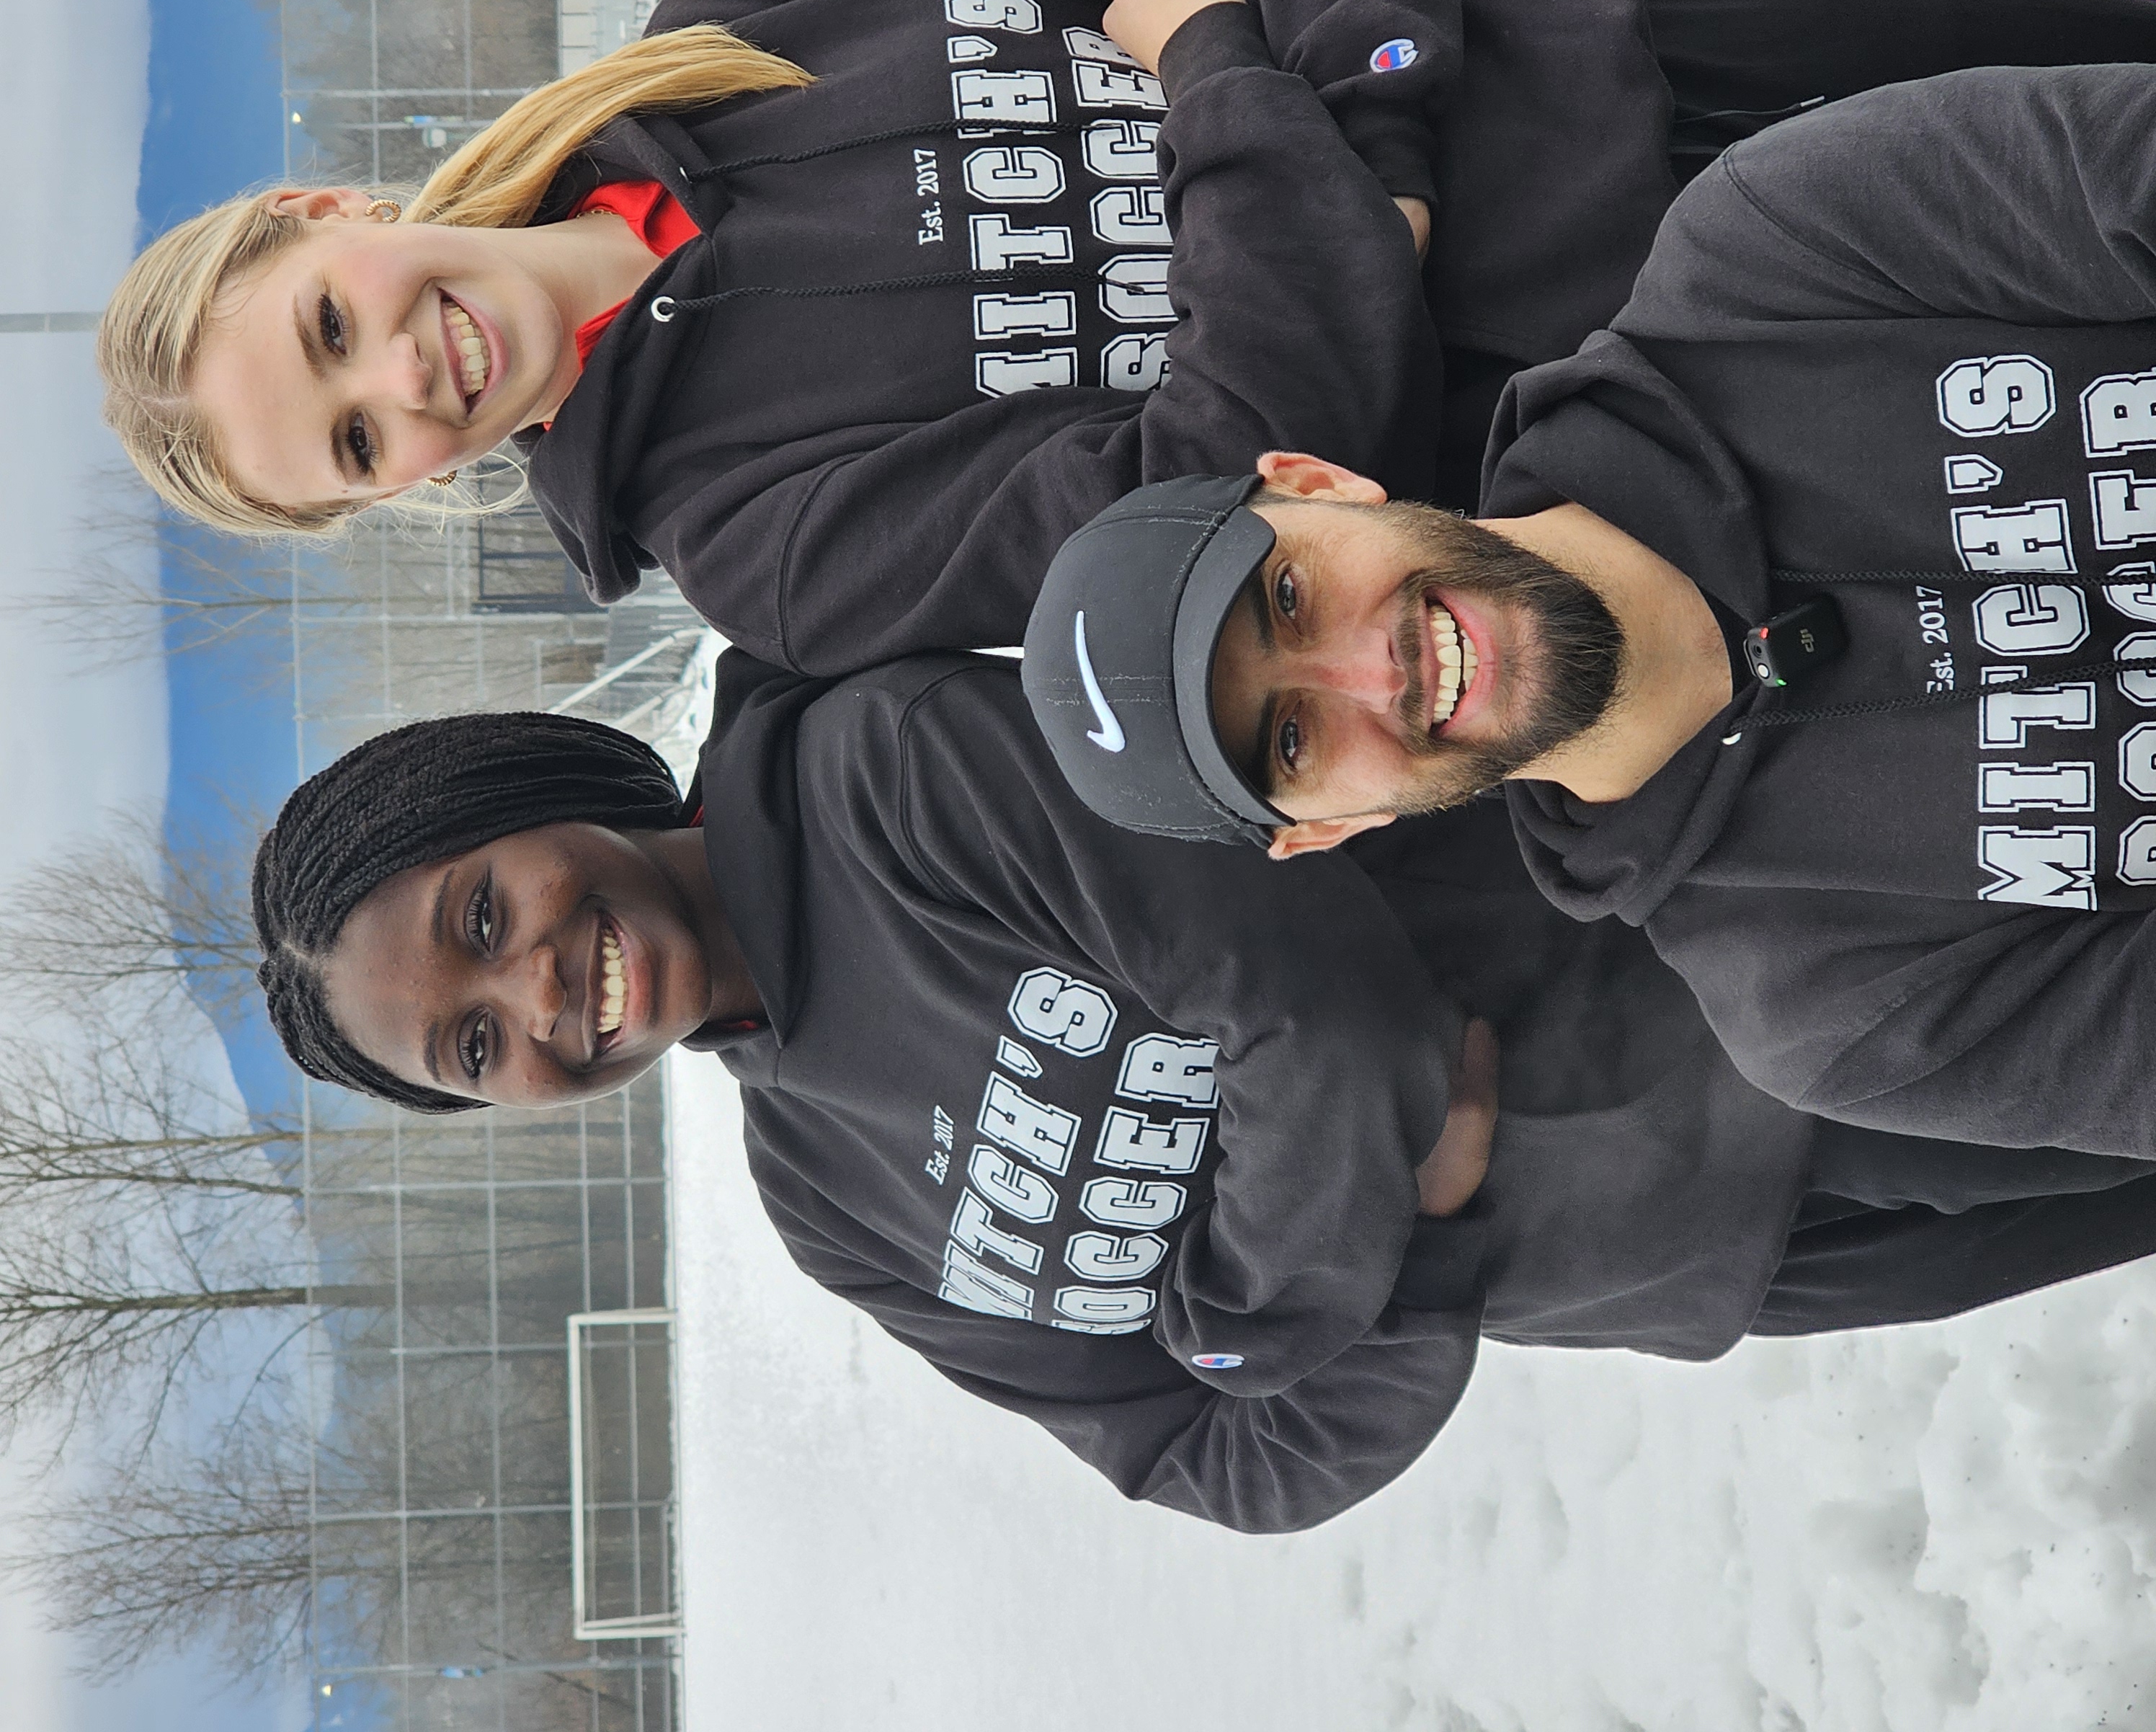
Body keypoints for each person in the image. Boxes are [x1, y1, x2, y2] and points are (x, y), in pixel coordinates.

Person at [103, 0, 2156, 672]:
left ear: (321, 216)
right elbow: (1225, 480)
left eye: (327, 335)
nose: (404, 382)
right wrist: (1233, 90)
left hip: (1610, 33)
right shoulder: (762, 544)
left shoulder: (750, 10)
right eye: (358, 446)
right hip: (1673, 352)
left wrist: (1375, 144)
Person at [254, 659, 2156, 1532]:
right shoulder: (828, 1201)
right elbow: (1207, 1462)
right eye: (477, 1047)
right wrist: (1393, 1259)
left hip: (1766, 1011)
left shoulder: (882, 769)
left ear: (520, 797)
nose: (538, 990)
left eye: (483, 916)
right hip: (1735, 1273)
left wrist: (1256, 1300)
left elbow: (1305, 1001)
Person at [1025, 63, 2156, 1158]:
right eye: (1291, 737)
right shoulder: (1836, 1006)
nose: (1379, 675)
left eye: (1288, 596)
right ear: (1329, 828)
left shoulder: (1776, 249)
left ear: (1318, 483)